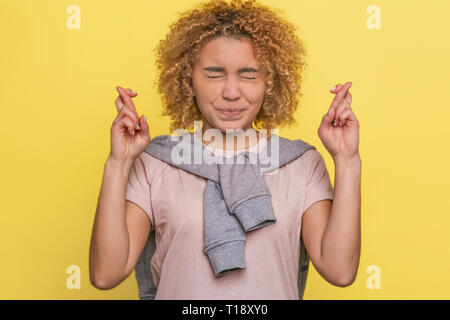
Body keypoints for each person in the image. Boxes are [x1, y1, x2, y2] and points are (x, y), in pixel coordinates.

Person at [89, 0, 361, 300]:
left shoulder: (301, 164)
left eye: (248, 74)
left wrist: (347, 161)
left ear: (269, 81)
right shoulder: (157, 163)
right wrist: (118, 162)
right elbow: (105, 273)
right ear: (188, 79)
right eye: (214, 74)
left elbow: (340, 271)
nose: (231, 92)